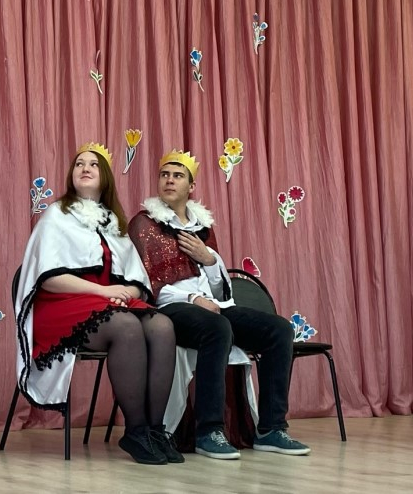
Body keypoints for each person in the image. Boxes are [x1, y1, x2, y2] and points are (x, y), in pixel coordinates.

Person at [129, 150, 311, 460]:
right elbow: (149, 283)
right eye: (164, 175)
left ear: (191, 186)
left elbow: (220, 287)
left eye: (177, 176)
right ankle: (208, 432)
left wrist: (208, 258)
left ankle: (271, 429)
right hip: (169, 309)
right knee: (217, 327)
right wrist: (193, 299)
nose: (169, 180)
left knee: (279, 330)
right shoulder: (145, 224)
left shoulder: (203, 226)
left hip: (214, 306)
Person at [16, 142, 183, 465]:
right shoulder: (56, 215)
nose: (85, 168)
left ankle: (155, 430)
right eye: (80, 163)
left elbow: (135, 281)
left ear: (105, 176)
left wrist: (125, 293)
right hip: (62, 304)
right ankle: (136, 431)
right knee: (126, 326)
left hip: (108, 305)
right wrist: (105, 293)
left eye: (93, 164)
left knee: (162, 325)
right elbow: (48, 278)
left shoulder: (113, 222)